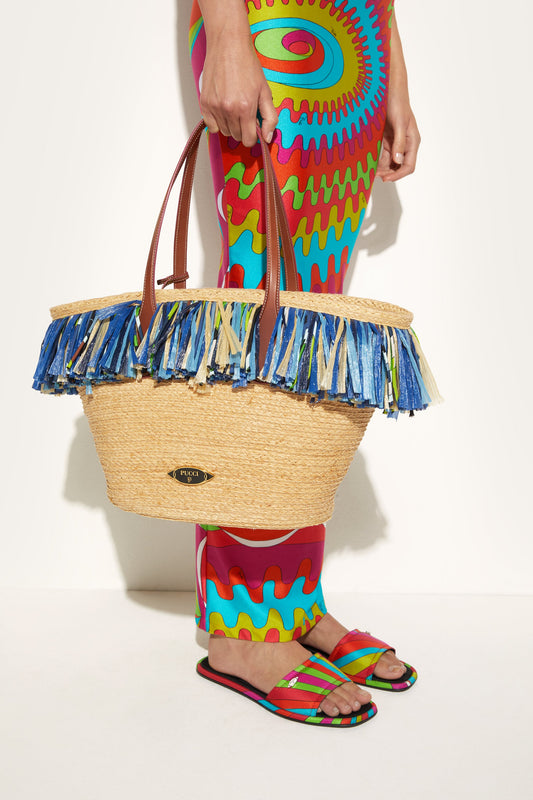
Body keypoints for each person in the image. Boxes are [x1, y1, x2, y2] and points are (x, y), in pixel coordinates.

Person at [190, 0, 421, 726]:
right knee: (260, 323)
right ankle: (241, 625)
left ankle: (289, 603)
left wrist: (394, 76)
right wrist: (227, 32)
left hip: (354, 39)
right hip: (272, 22)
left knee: (311, 328)